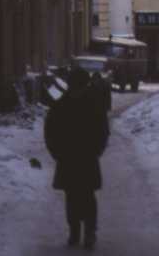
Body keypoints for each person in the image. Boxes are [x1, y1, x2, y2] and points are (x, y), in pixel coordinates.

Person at [44, 65, 109, 249]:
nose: (77, 90)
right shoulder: (60, 106)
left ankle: (89, 232)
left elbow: (103, 131)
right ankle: (74, 230)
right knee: (72, 196)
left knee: (87, 196)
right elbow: (50, 132)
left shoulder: (93, 105)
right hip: (68, 158)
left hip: (86, 157)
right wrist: (56, 152)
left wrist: (97, 150)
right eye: (75, 86)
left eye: (80, 86)